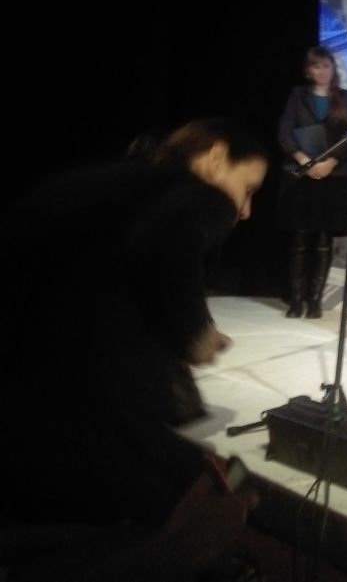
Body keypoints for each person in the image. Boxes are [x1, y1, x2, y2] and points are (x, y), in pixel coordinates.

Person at [0, 118, 266, 576]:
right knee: (201, 491)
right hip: (69, 430)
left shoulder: (96, 184)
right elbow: (164, 238)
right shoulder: (196, 194)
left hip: (20, 410)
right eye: (247, 189)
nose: (244, 211)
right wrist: (195, 332)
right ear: (216, 158)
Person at [276, 45, 347, 319]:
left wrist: (331, 162)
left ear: (333, 70)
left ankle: (315, 300)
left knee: (323, 238)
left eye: (326, 66)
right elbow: (285, 132)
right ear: (308, 71)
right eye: (317, 66)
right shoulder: (297, 95)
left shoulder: (346, 98)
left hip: (332, 176)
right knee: (299, 237)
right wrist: (303, 160)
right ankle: (296, 300)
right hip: (300, 174)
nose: (322, 71)